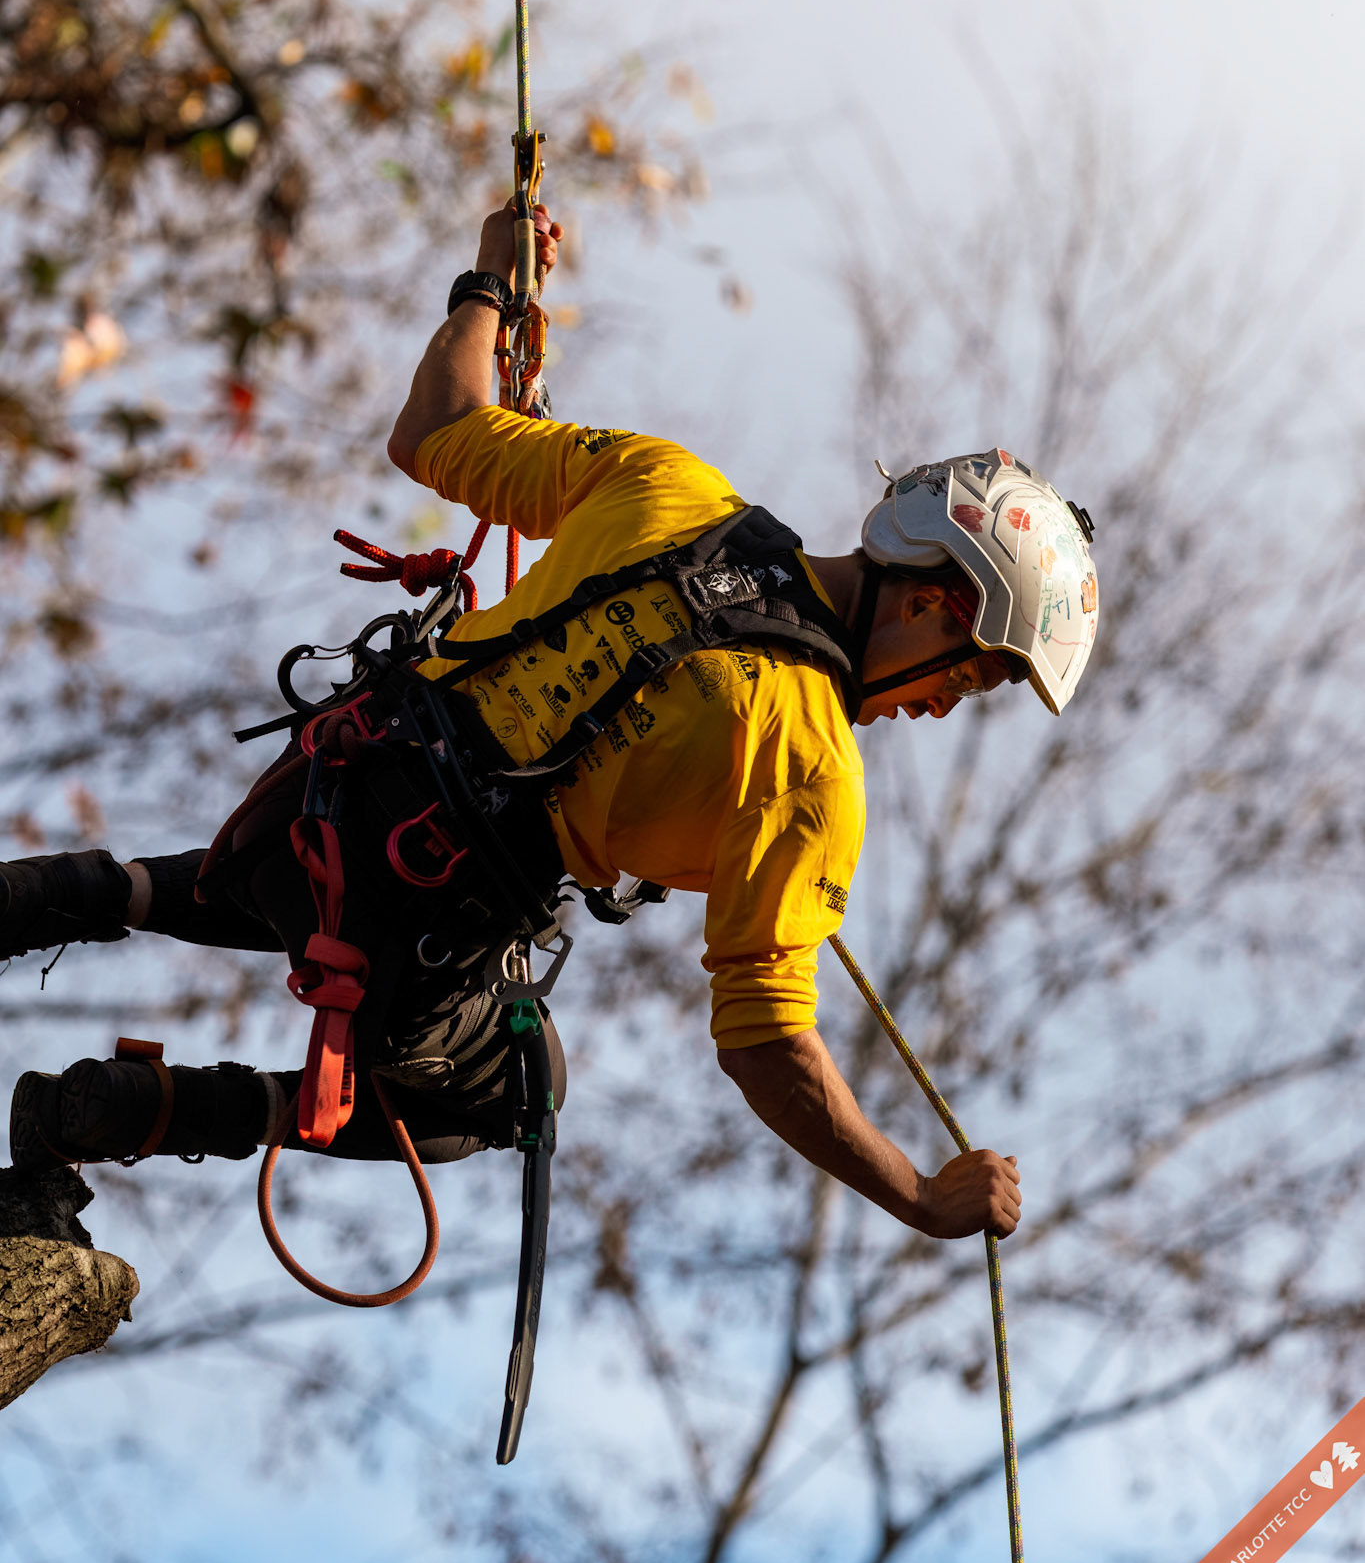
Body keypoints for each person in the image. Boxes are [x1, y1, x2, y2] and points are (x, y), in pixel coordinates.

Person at [1, 200, 1100, 1247]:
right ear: (935, 601)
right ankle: (122, 1111)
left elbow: (434, 431)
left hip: (324, 789)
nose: (942, 705)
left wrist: (489, 283)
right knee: (516, 1085)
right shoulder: (812, 771)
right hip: (424, 920)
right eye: (970, 678)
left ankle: (46, 898)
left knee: (245, 877)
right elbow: (768, 1048)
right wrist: (917, 1190)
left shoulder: (671, 485)